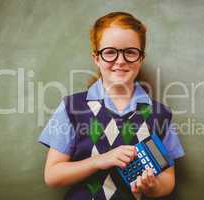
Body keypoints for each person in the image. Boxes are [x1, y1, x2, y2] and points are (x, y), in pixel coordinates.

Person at [38, 11, 185, 200]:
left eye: (130, 52)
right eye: (110, 52)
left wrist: (153, 187)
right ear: (96, 58)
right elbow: (53, 175)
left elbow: (168, 180)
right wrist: (99, 160)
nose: (120, 60)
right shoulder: (72, 108)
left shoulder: (160, 114)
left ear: (141, 58)